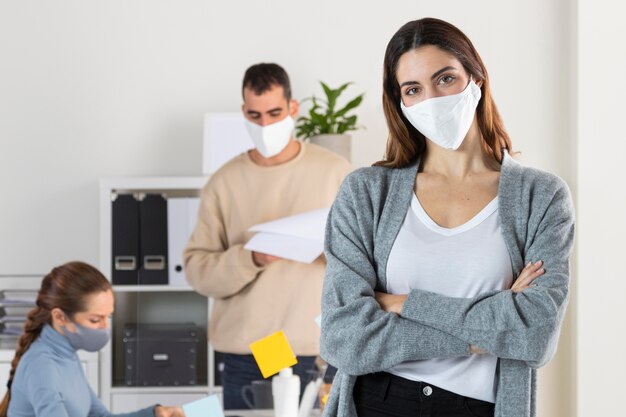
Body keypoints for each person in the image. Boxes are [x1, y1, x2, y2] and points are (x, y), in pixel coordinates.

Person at [320, 18, 574, 417]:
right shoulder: (366, 193)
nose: (432, 100)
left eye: (445, 79)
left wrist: (404, 303)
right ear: (400, 102)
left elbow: (535, 335)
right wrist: (482, 334)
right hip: (379, 401)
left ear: (476, 79)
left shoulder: (541, 196)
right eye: (413, 89)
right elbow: (344, 338)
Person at [183, 63, 351, 410]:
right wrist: (252, 257)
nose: (265, 125)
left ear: (293, 108)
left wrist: (328, 249)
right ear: (244, 112)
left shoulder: (334, 172)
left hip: (318, 349)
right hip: (252, 352)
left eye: (275, 113)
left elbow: (370, 260)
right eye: (255, 115)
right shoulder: (224, 182)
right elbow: (198, 269)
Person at [0, 261, 184, 417]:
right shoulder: (41, 366)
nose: (105, 327)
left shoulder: (67, 355)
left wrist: (155, 413)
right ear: (60, 317)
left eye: (108, 317)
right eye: (95, 320)